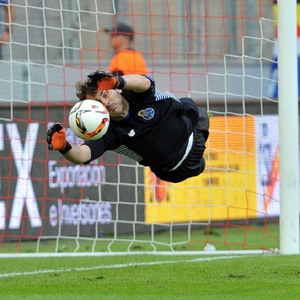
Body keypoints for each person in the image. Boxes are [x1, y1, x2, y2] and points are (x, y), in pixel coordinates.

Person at [47, 71, 209, 183]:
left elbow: (145, 82)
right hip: (172, 170)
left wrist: (119, 80)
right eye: (97, 104)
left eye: (105, 94)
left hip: (193, 137)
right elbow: (83, 155)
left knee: (190, 107)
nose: (105, 103)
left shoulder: (135, 93)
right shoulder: (107, 132)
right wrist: (64, 147)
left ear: (116, 89)